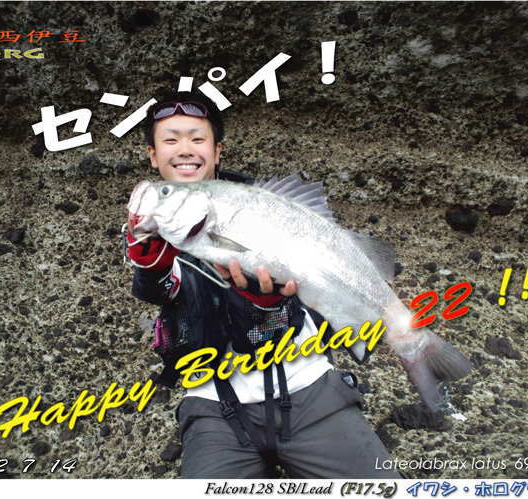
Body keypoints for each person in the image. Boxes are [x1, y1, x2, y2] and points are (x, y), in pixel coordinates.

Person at [123, 90, 400, 479]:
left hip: (309, 388)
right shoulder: (158, 227)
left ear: (217, 151)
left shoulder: (267, 208)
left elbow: (301, 294)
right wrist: (149, 266)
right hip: (213, 406)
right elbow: (161, 291)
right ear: (153, 155)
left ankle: (413, 344)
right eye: (171, 139)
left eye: (197, 138)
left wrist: (264, 303)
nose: (184, 148)